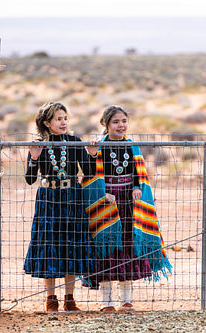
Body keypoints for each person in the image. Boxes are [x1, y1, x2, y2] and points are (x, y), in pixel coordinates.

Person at [82, 105, 172, 311]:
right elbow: (90, 176)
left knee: (128, 249)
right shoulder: (98, 146)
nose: (121, 125)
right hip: (106, 204)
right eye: (115, 122)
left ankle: (126, 299)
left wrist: (137, 188)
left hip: (129, 205)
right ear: (105, 124)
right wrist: (102, 193)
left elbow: (139, 174)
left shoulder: (133, 146)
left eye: (123, 121)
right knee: (106, 250)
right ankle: (106, 302)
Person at [24, 102, 96, 312]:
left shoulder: (74, 141)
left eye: (65, 118)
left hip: (72, 196)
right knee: (49, 245)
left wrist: (91, 155)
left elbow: (89, 173)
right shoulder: (38, 144)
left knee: (71, 245)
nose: (63, 122)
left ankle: (70, 298)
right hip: (48, 197)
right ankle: (51, 298)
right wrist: (34, 159)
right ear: (47, 123)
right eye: (58, 119)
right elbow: (29, 179)